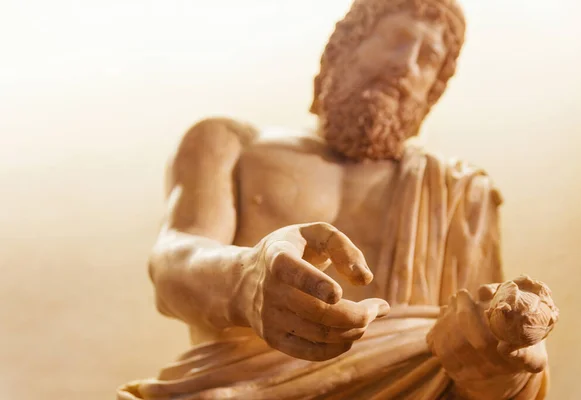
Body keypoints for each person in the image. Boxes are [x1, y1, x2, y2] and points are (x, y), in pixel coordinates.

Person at [118, 0, 558, 398]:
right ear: (343, 47)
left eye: (428, 59)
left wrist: (512, 369)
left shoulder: (459, 194)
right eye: (396, 39)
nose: (406, 66)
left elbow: (474, 362)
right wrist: (244, 278)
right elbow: (172, 262)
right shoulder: (229, 143)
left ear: (433, 92)